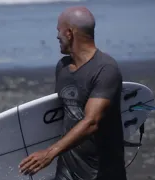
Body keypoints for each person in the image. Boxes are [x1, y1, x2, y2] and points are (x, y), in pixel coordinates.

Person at [18, 6, 127, 180]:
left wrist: (49, 152)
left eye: (58, 30)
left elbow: (92, 122)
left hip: (101, 172)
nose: (56, 36)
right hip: (67, 170)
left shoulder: (105, 69)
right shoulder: (63, 67)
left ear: (69, 33)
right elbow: (60, 115)